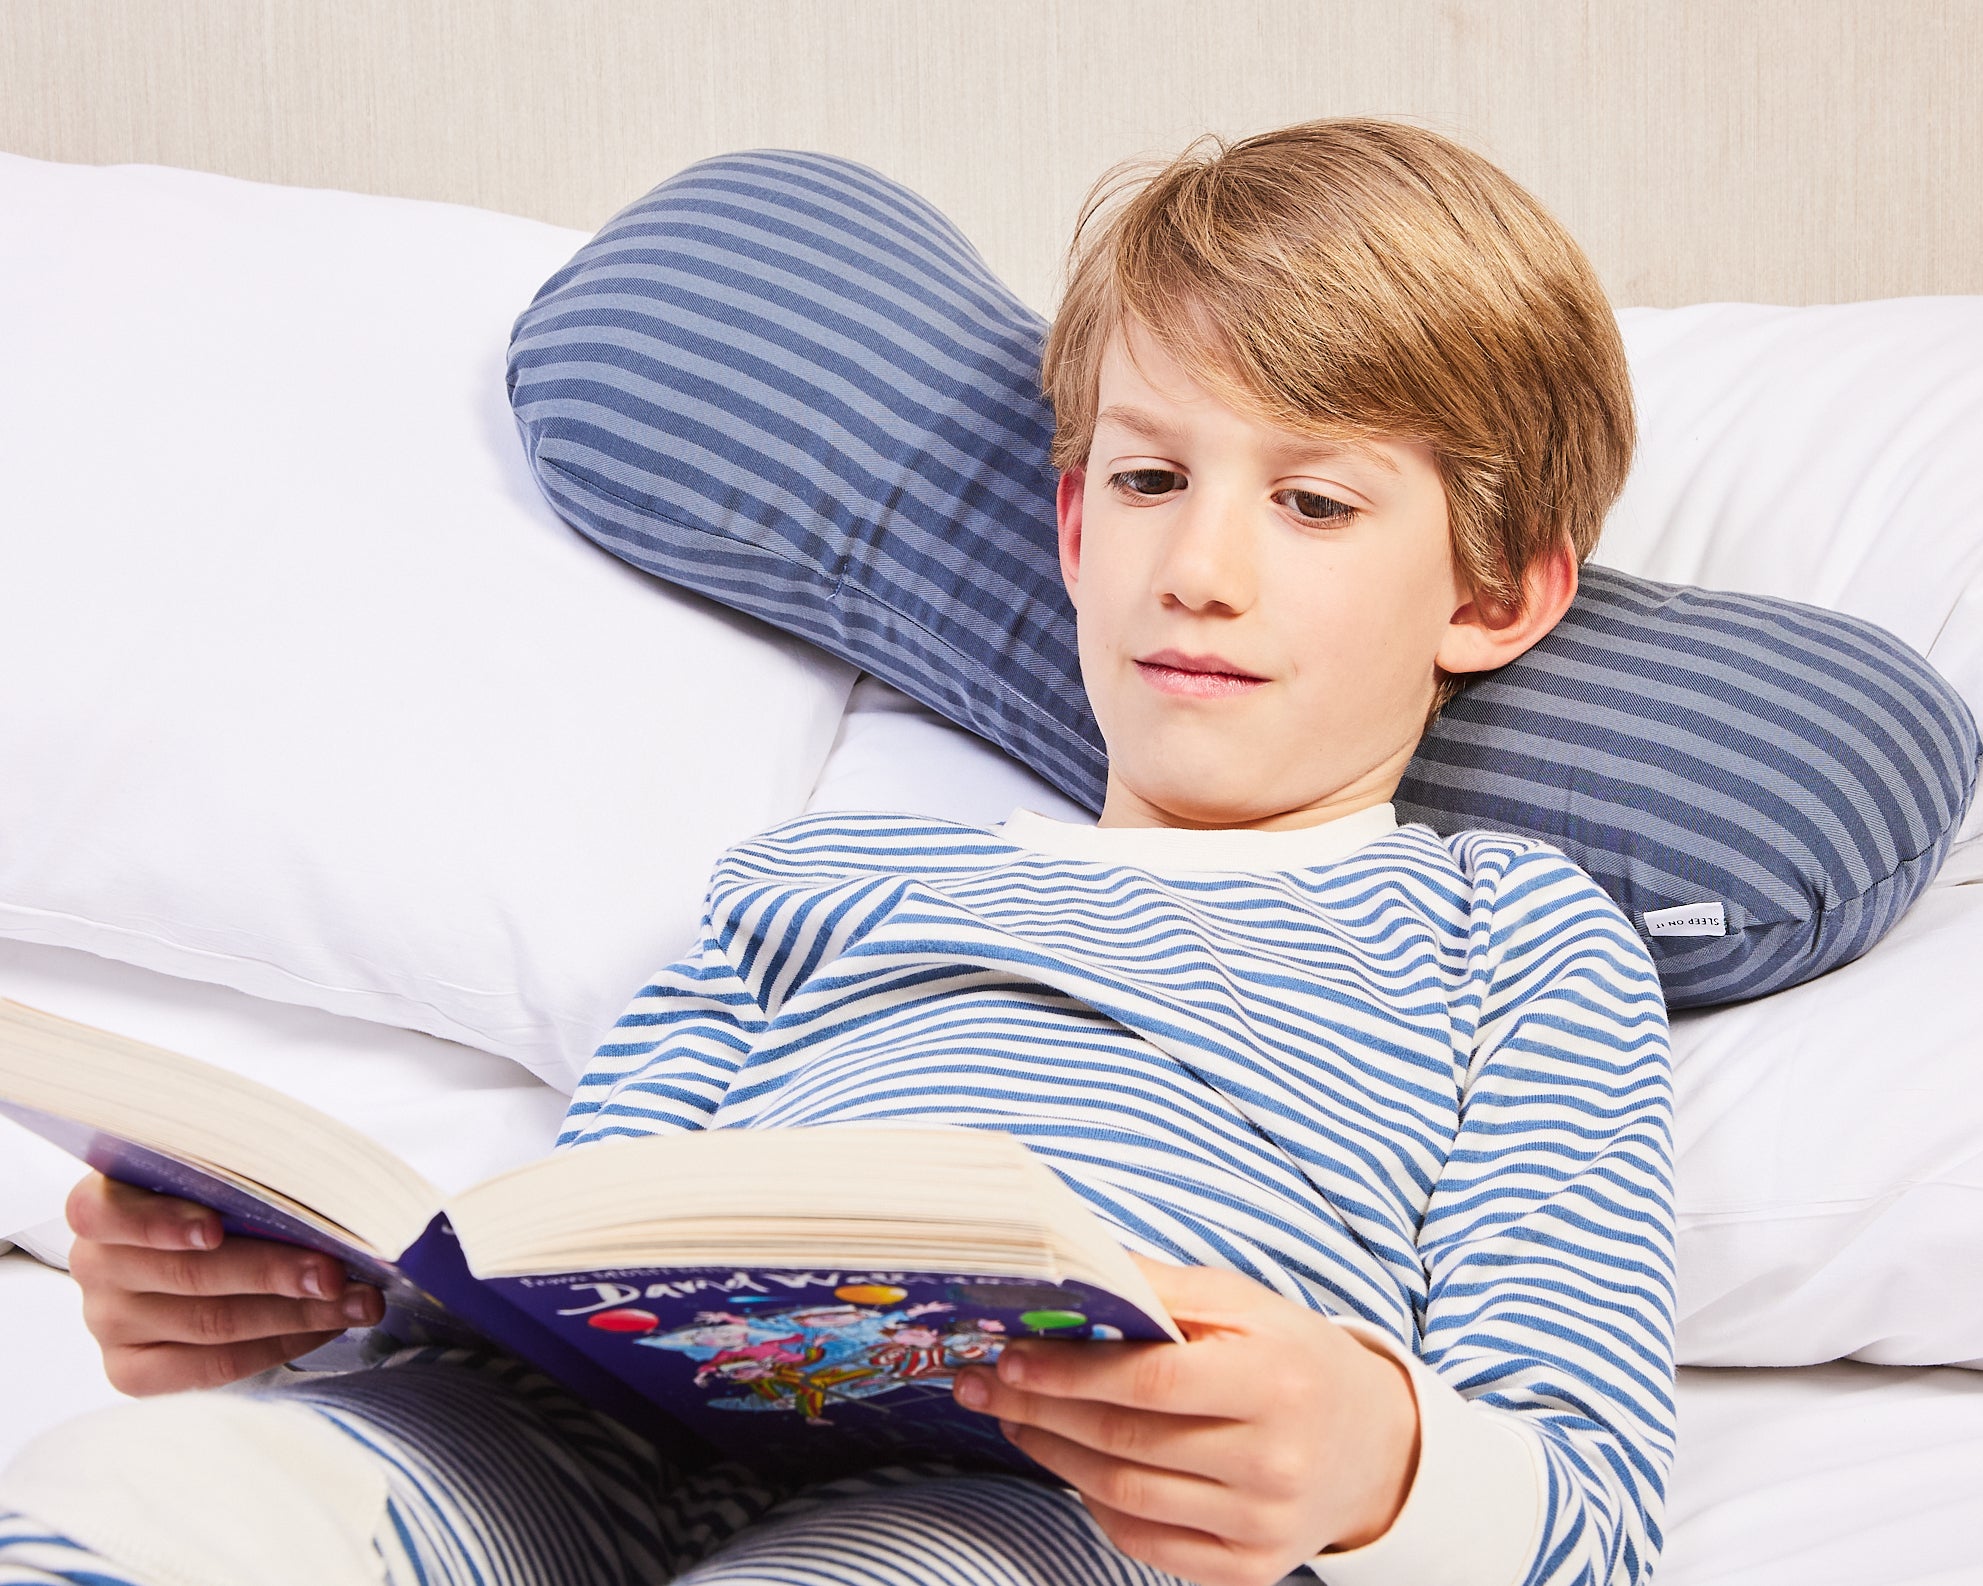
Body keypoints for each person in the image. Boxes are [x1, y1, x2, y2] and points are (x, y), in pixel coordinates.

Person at [0, 118, 1672, 1586]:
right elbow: (577, 1241)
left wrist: (1374, 1455)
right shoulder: (826, 876)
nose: (1200, 569)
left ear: (1491, 590)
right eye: (1152, 476)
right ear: (1077, 527)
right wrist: (281, 1317)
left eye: (1314, 503)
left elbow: (1591, 1502)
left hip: (1064, 1505)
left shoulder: (1512, 933)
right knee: (161, 1492)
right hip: (568, 1442)